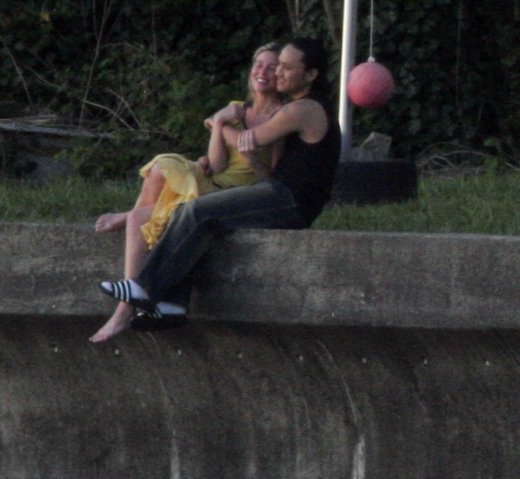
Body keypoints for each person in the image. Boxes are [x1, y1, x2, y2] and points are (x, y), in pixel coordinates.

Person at [95, 36, 341, 340]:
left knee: (197, 211)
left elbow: (250, 141)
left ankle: (145, 288)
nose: (278, 73)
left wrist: (220, 123)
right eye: (278, 66)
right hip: (278, 192)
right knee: (188, 212)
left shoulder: (304, 109)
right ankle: (172, 305)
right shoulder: (297, 105)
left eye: (287, 68)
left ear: (312, 74)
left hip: (290, 200)